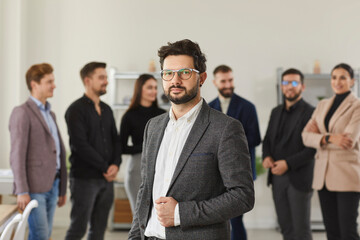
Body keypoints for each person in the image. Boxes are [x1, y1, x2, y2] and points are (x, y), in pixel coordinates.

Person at [128, 39, 254, 240]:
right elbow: (145, 190)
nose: (175, 80)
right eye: (168, 73)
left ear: (201, 78)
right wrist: (135, 236)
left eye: (185, 73)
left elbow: (242, 196)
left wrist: (179, 213)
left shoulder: (225, 128)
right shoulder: (153, 126)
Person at [9, 63, 67, 240]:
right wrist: (22, 190)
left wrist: (62, 188)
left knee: (45, 234)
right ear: (34, 84)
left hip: (53, 185)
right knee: (40, 236)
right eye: (49, 81)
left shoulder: (51, 114)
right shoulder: (22, 113)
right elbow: (17, 155)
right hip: (33, 188)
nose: (54, 85)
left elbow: (58, 152)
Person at [302, 63, 360, 240]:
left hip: (346, 175)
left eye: (343, 77)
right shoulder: (322, 105)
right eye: (334, 77)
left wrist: (320, 136)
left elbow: (349, 140)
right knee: (332, 231)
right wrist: (329, 138)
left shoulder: (357, 106)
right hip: (323, 175)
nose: (337, 81)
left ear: (352, 81)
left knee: (347, 231)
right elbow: (305, 136)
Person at [65, 62, 121, 240]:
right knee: (78, 229)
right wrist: (106, 167)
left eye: (106, 77)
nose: (106, 81)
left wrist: (115, 165)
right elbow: (80, 146)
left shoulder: (107, 110)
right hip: (84, 179)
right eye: (101, 77)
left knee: (98, 231)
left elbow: (116, 140)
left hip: (107, 179)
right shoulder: (75, 110)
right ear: (88, 80)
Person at [208, 64, 261, 240]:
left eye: (230, 80)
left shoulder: (248, 107)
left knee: (236, 219)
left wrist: (228, 146)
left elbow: (255, 138)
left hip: (240, 171)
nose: (228, 84)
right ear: (215, 82)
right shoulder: (208, 108)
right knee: (217, 219)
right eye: (223, 81)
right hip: (214, 173)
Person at [262, 68, 316, 240]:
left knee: (301, 231)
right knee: (286, 229)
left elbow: (312, 149)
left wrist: (288, 163)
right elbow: (268, 140)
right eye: (285, 82)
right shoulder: (275, 111)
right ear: (281, 86)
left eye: (294, 83)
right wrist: (266, 156)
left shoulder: (311, 112)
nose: (289, 87)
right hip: (277, 178)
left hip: (299, 178)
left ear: (302, 86)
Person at [120, 74, 166, 214]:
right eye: (149, 87)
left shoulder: (163, 114)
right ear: (140, 89)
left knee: (158, 215)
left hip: (160, 167)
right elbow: (122, 147)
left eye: (155, 88)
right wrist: (147, 148)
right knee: (139, 215)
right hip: (136, 169)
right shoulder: (129, 116)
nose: (154, 91)